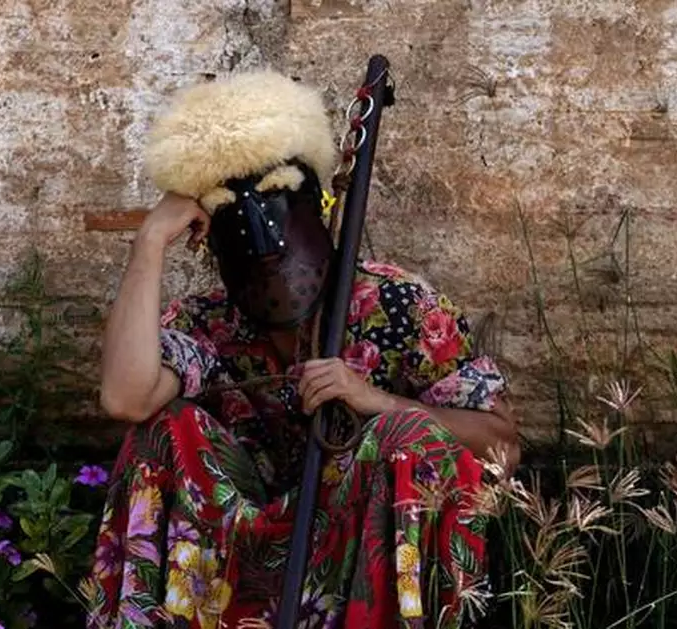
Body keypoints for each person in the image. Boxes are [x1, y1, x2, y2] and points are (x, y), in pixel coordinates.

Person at [86, 69, 522, 629]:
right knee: (160, 430)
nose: (264, 242)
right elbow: (126, 397)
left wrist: (377, 403)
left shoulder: (399, 306)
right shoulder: (208, 323)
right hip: (240, 564)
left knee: (406, 437)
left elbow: (503, 447)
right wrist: (150, 241)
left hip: (365, 550)